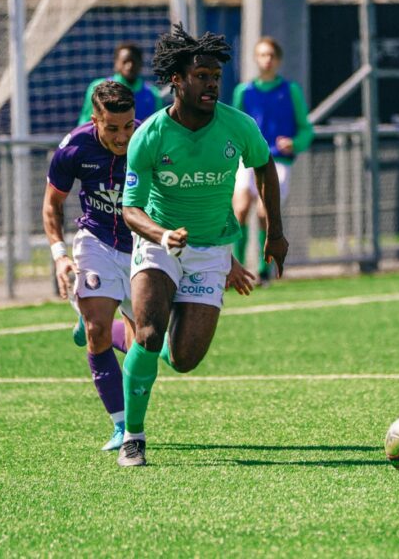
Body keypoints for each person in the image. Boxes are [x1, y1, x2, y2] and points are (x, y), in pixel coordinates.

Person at [117, 24, 288, 467]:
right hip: (159, 246)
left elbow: (265, 168)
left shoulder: (238, 126)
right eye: (202, 76)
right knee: (152, 335)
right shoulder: (151, 135)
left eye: (216, 76)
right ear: (178, 80)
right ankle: (133, 437)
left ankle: (126, 333)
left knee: (184, 359)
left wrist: (275, 233)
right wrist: (162, 235)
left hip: (211, 250)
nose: (211, 84)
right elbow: (130, 209)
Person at [43, 81, 139, 452]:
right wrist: (60, 254)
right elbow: (53, 206)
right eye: (112, 128)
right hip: (95, 241)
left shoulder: (149, 141)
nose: (122, 136)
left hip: (141, 248)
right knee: (98, 330)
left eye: (128, 126)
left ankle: (97, 318)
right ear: (95, 120)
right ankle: (121, 425)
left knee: (149, 347)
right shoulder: (74, 147)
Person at [231, 36, 313, 283]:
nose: (267, 60)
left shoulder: (290, 90)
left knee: (265, 212)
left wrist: (294, 143)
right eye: (262, 55)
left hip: (277, 160)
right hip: (249, 158)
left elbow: (306, 129)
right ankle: (237, 268)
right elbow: (235, 127)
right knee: (241, 208)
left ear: (278, 60)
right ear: (256, 58)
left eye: (271, 55)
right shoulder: (244, 91)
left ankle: (264, 269)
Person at [77, 42, 165, 125]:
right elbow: (85, 123)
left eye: (133, 62)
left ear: (141, 63)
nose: (129, 66)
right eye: (125, 61)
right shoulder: (98, 88)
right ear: (116, 63)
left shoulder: (153, 94)